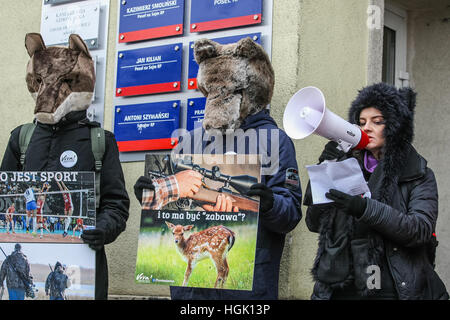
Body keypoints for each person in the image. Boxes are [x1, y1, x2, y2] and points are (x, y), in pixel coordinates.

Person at [0, 33, 129, 300]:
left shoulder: (100, 141)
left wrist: (103, 229)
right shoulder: (21, 139)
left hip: (84, 269)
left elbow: (116, 203)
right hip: (28, 263)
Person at [304, 82, 449, 300]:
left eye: (377, 121)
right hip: (340, 288)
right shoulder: (345, 165)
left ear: (396, 126)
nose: (366, 128)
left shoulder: (419, 173)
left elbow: (419, 230)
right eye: (361, 122)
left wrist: (365, 208)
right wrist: (325, 167)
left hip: (390, 288)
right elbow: (314, 223)